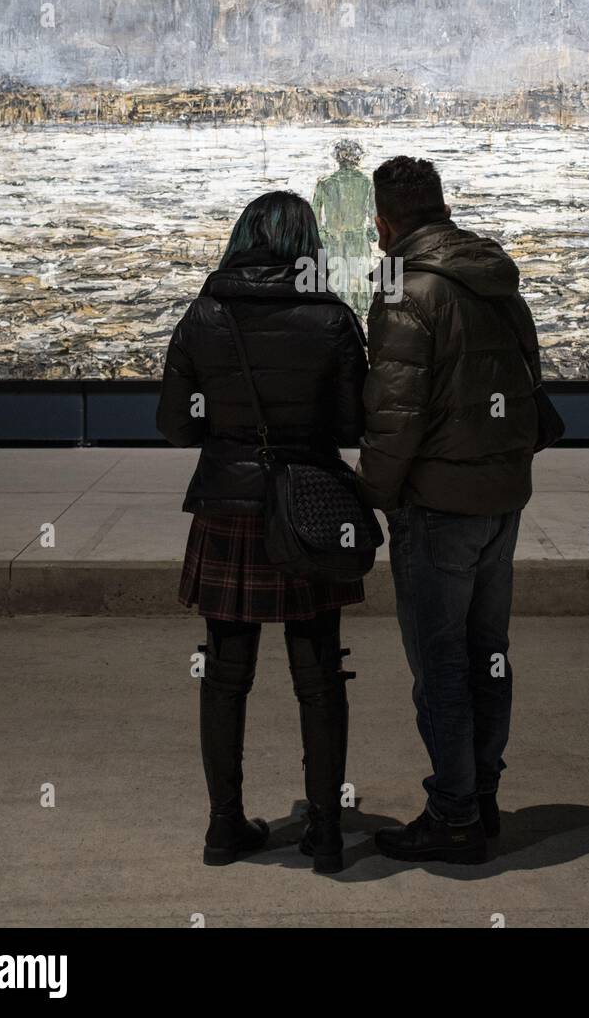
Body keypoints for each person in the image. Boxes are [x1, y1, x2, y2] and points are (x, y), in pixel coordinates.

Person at [156, 190, 368, 873]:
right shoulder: (333, 319)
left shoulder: (203, 315)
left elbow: (175, 424)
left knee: (223, 675)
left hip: (229, 507)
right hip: (308, 509)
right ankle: (329, 834)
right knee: (320, 674)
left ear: (243, 237)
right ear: (307, 242)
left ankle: (224, 830)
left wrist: (227, 431)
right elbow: (347, 427)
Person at [355, 156, 541, 865]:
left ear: (385, 221)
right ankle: (483, 798)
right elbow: (528, 378)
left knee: (440, 665)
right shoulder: (494, 276)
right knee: (487, 655)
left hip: (437, 507)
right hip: (501, 499)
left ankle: (454, 815)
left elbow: (394, 413)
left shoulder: (408, 287)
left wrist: (375, 491)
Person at [311, 139, 377, 316]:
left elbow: (314, 217)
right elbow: (373, 217)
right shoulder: (367, 183)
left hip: (333, 240)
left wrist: (321, 235)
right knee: (359, 289)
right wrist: (372, 234)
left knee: (335, 286)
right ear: (357, 158)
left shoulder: (324, 183)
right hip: (358, 241)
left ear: (337, 158)